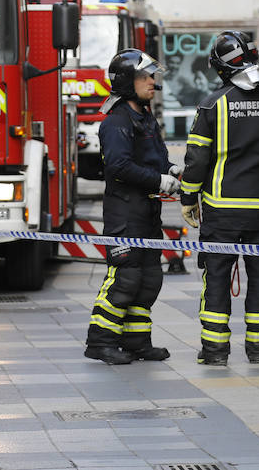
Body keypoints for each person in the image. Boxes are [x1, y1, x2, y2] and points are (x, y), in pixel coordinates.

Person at [179, 31, 259, 365]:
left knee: (216, 278)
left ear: (220, 68)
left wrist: (189, 198)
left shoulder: (211, 106)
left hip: (220, 212)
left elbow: (197, 159)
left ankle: (215, 352)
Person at [84, 49, 180, 365]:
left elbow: (156, 157)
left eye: (153, 76)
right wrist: (158, 181)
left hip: (147, 212)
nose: (153, 82)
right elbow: (118, 166)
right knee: (125, 278)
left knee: (149, 277)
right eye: (145, 77)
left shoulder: (144, 117)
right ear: (127, 81)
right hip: (125, 213)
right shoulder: (117, 122)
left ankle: (137, 342)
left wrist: (171, 171)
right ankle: (100, 342)